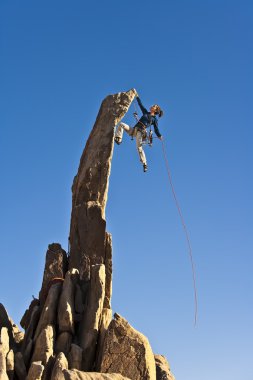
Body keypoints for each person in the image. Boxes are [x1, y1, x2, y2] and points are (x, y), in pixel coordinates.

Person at [114, 90, 163, 172]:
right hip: (134, 130)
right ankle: (119, 139)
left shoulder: (154, 119)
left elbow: (156, 129)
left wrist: (159, 136)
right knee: (122, 124)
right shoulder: (145, 113)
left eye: (154, 106)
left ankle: (144, 163)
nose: (152, 106)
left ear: (156, 110)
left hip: (141, 132)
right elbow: (141, 105)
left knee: (139, 148)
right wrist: (136, 96)